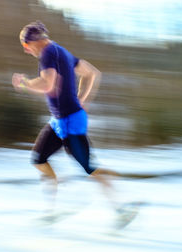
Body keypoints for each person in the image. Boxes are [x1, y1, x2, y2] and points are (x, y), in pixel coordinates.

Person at [12, 21, 126, 223]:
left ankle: (121, 209)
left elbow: (48, 84)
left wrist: (24, 84)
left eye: (26, 48)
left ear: (31, 43)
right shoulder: (60, 51)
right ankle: (52, 210)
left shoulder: (48, 53)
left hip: (71, 122)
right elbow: (91, 73)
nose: (27, 52)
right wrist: (83, 99)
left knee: (90, 168)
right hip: (58, 121)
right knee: (38, 159)